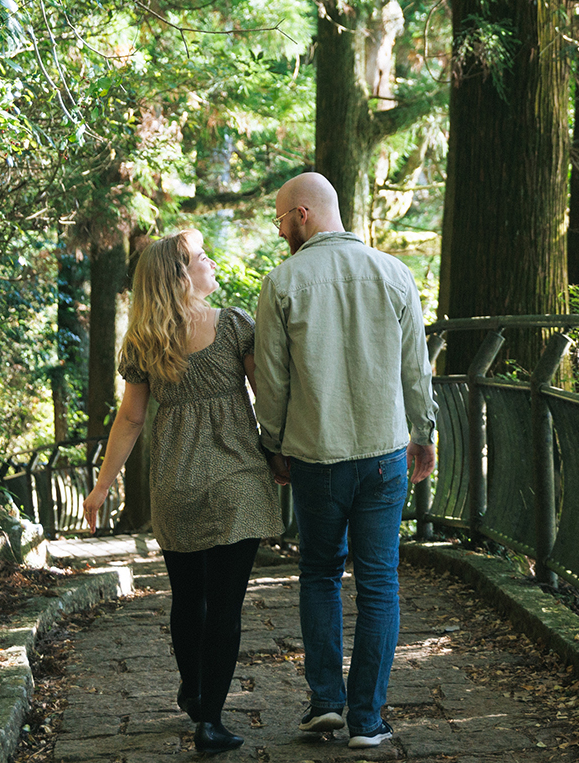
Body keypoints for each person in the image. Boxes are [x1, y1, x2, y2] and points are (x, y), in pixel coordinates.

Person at [82, 231, 282, 756]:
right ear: (179, 275)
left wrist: (101, 489)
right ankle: (209, 720)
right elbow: (269, 400)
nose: (211, 261)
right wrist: (283, 453)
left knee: (188, 597)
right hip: (238, 478)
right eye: (200, 257)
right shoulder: (236, 325)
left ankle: (194, 691)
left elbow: (129, 419)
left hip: (174, 485)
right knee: (225, 607)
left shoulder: (144, 342)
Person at [254, 172, 435, 751]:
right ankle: (369, 720)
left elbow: (274, 381)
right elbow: (416, 368)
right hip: (385, 455)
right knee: (379, 582)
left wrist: (274, 442)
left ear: (303, 214)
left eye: (281, 219)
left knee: (321, 574)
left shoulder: (282, 283)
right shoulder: (394, 273)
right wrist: (424, 432)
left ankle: (326, 702)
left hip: (316, 456)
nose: (281, 229)